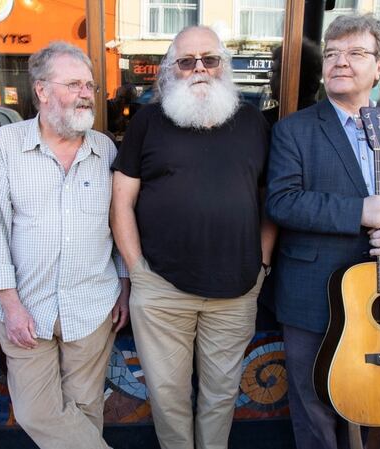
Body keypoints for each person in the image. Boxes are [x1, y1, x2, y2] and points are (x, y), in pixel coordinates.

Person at [265, 14, 380, 449]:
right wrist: (358, 211)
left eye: (356, 53)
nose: (341, 62)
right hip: (312, 294)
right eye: (333, 53)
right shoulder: (294, 130)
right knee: (314, 404)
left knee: (376, 395)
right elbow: (281, 201)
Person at [110, 26, 276, 449]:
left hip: (237, 290)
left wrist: (262, 264)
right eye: (186, 62)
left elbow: (270, 202)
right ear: (170, 70)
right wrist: (137, 271)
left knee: (221, 397)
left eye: (210, 59)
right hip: (162, 290)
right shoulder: (148, 121)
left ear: (224, 64)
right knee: (168, 398)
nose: (199, 69)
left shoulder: (254, 121)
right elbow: (121, 202)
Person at [0, 41, 128, 449]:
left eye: (91, 86)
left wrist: (124, 284)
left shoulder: (106, 150)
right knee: (35, 412)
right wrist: (9, 304)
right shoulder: (6, 145)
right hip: (27, 307)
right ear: (41, 91)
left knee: (85, 409)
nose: (86, 94)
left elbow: (119, 227)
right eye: (74, 84)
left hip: (92, 304)